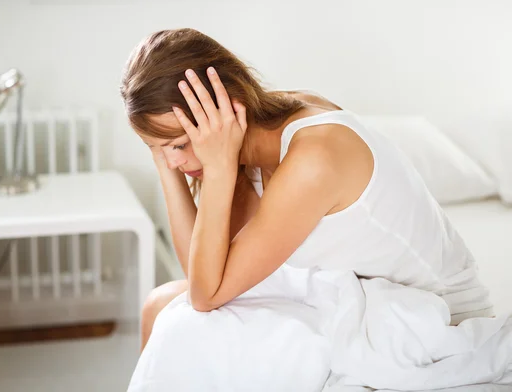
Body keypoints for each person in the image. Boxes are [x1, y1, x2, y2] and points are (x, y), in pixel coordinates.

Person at [119, 28, 495, 353]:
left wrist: (216, 171)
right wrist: (163, 155)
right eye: (159, 148)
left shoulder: (313, 156)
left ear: (226, 110)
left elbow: (204, 295)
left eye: (181, 144)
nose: (174, 162)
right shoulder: (246, 145)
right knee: (160, 304)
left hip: (433, 316)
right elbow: (202, 273)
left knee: (171, 315)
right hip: (355, 300)